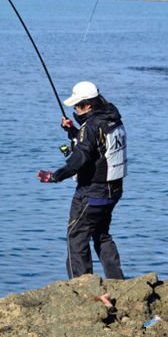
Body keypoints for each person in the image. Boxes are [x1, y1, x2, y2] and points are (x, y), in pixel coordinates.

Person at [37, 81, 126, 279]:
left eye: (78, 106)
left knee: (76, 237)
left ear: (89, 106)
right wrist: (72, 132)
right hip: (113, 190)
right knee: (101, 235)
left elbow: (80, 158)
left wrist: (55, 176)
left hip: (92, 192)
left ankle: (82, 287)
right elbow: (97, 148)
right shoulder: (113, 119)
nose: (75, 110)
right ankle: (117, 282)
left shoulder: (92, 126)